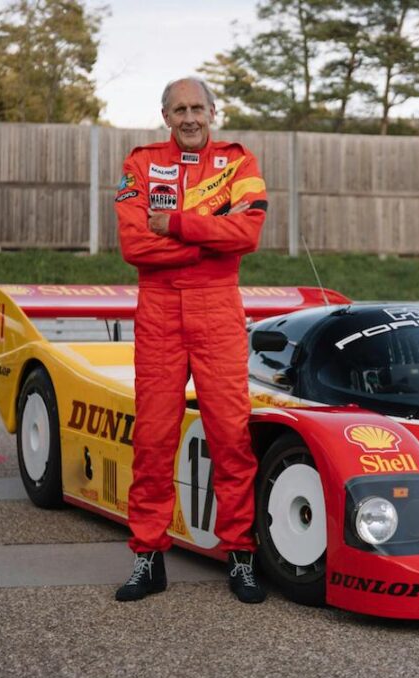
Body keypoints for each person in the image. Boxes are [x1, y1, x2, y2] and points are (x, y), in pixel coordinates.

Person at [113, 76, 268, 603]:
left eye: (197, 107)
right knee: (153, 438)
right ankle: (147, 558)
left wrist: (174, 225)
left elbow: (247, 235)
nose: (189, 118)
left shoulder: (239, 163)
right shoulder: (140, 162)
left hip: (218, 308)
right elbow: (134, 246)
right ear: (165, 115)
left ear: (213, 110)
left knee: (230, 436)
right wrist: (207, 241)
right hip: (158, 310)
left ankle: (241, 557)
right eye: (178, 109)